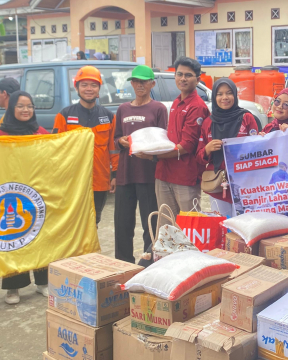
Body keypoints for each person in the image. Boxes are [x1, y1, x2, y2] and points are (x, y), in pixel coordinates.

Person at [0, 91, 49, 304]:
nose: (26, 110)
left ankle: (43, 282)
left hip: (37, 193)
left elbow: (54, 153)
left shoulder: (39, 132)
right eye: (21, 106)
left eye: (30, 106)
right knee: (13, 238)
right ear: (11, 109)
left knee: (39, 237)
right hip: (11, 195)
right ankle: (13, 288)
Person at [113, 65, 167, 264]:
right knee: (122, 223)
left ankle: (149, 262)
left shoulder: (158, 109)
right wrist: (121, 142)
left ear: (152, 83)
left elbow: (164, 141)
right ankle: (122, 263)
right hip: (125, 174)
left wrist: (151, 153)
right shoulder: (123, 109)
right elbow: (116, 138)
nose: (139, 85)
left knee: (150, 222)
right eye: (135, 81)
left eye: (143, 81)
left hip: (148, 174)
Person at [53, 66, 118, 225]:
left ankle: (90, 250)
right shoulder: (65, 115)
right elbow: (54, 149)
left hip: (99, 180)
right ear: (76, 87)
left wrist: (115, 175)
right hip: (72, 180)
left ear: (99, 89)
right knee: (72, 222)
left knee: (94, 221)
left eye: (93, 85)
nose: (89, 89)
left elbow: (114, 149)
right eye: (84, 85)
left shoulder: (108, 117)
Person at [150, 57, 209, 216]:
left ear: (197, 79)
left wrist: (154, 155)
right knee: (167, 226)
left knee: (189, 228)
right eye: (179, 74)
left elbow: (186, 146)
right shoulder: (176, 102)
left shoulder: (197, 106)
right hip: (164, 174)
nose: (183, 78)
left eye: (188, 75)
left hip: (185, 177)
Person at [197, 78, 258, 217]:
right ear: (214, 97)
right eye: (219, 94)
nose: (224, 97)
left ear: (235, 95)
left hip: (244, 184)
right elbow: (199, 156)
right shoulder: (208, 123)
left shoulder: (247, 118)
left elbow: (257, 148)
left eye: (229, 93)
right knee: (221, 226)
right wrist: (207, 149)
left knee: (243, 225)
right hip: (218, 185)